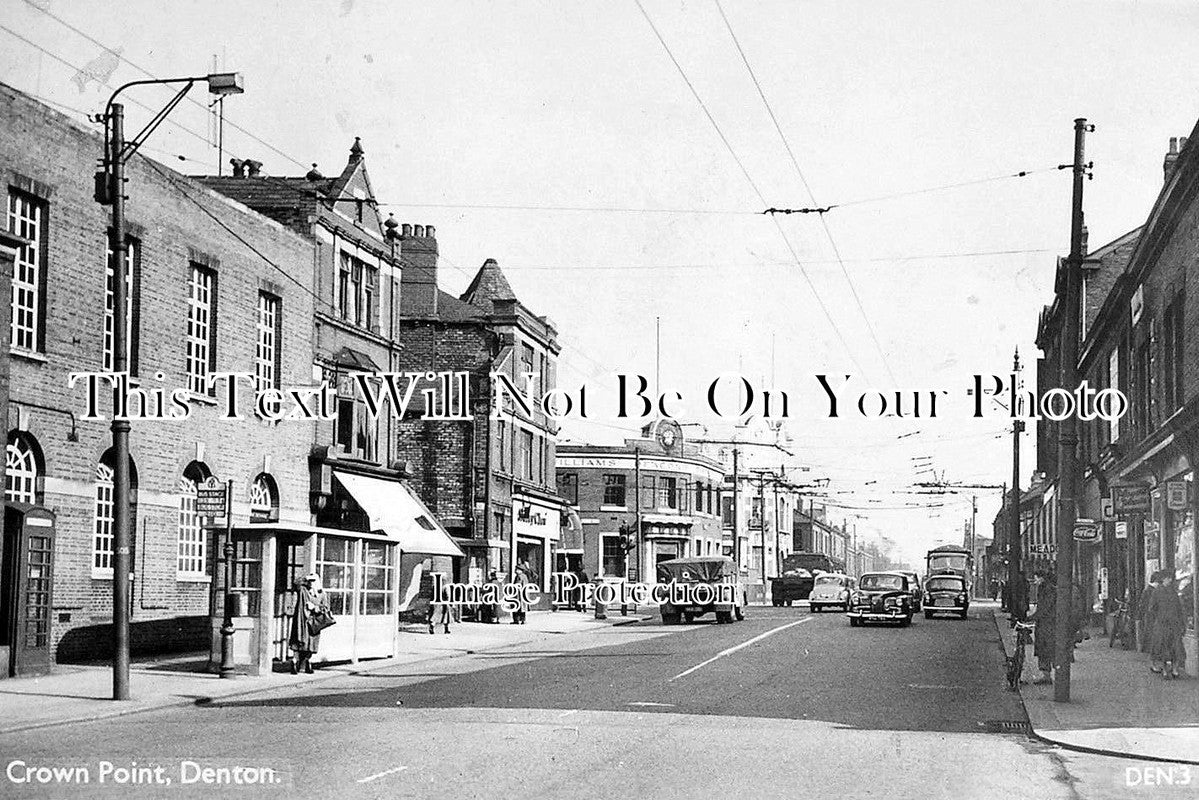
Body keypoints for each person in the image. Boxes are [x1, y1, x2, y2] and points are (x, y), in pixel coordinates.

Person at [289, 572, 331, 675]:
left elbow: (325, 608)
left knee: (311, 643)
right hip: (301, 620)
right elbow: (295, 583)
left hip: (314, 622)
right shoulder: (303, 590)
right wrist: (305, 578)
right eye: (310, 581)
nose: (311, 583)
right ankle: (294, 662)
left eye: (314, 581)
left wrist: (314, 608)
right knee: (298, 641)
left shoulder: (322, 594)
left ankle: (308, 662)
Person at [1149, 572, 1186, 678]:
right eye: (1169, 578)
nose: (1170, 580)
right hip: (1163, 624)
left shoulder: (1173, 591)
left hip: (1173, 624)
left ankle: (1174, 669)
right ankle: (1165, 670)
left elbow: (1178, 608)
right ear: (1164, 579)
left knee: (1176, 647)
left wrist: (1181, 623)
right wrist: (1159, 618)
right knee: (1164, 647)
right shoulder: (1157, 592)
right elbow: (1152, 608)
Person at [1029, 570, 1057, 684]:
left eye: (1036, 579)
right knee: (1045, 648)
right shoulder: (1047, 588)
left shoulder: (1047, 589)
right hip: (1046, 623)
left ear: (1041, 578)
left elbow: (1045, 607)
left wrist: (1034, 617)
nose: (1035, 581)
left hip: (1046, 624)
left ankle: (1047, 675)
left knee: (1044, 648)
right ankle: (1047, 674)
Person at [1138, 571, 1161, 654]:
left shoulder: (1148, 590)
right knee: (1152, 632)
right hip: (1151, 616)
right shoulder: (1151, 591)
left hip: (1149, 615)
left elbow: (1142, 605)